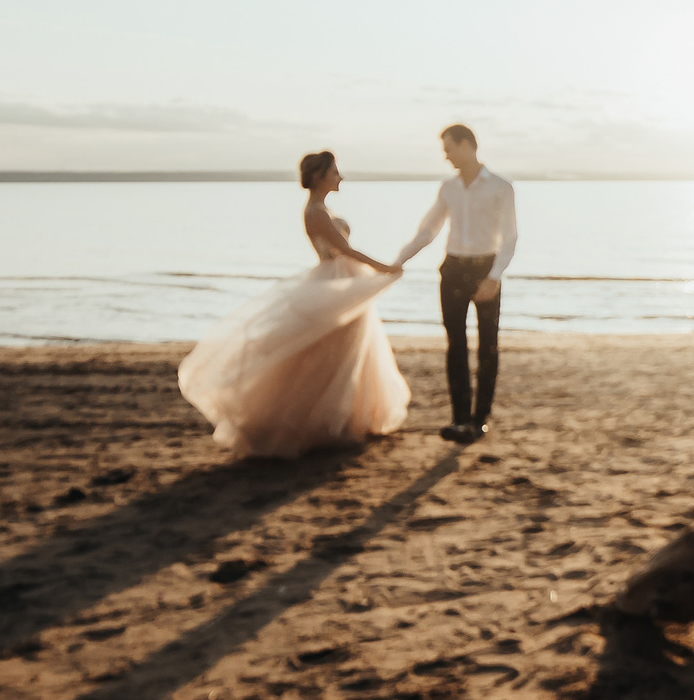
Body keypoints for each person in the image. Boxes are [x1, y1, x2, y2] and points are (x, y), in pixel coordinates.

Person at [177, 151, 411, 459]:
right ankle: (317, 424)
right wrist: (386, 268)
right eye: (335, 172)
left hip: (341, 284)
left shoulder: (322, 209)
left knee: (346, 355)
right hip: (333, 287)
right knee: (330, 356)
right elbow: (344, 249)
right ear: (318, 177)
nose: (340, 177)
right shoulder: (315, 211)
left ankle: (345, 419)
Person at [393, 122, 517, 443]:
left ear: (466, 145)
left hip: (485, 268)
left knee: (488, 347)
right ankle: (460, 419)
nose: (445, 156)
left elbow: (509, 237)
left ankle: (480, 419)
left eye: (448, 148)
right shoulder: (448, 188)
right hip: (453, 269)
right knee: (455, 345)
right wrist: (398, 261)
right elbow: (428, 231)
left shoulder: (501, 188)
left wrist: (494, 277)